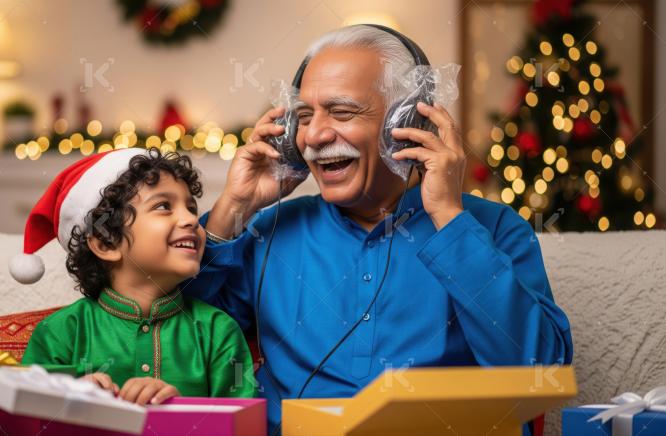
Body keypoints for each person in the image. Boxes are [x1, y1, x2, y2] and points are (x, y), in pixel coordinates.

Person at [183, 25, 573, 432]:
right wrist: (234, 209)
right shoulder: (268, 231)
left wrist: (448, 218)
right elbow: (177, 340)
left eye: (342, 112)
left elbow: (539, 371)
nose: (315, 135)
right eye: (303, 117)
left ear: (405, 121)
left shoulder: (492, 228)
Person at [12, 148, 255, 405]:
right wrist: (69, 400)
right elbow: (24, 419)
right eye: (164, 206)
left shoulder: (220, 331)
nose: (191, 221)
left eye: (191, 208)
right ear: (107, 243)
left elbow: (243, 423)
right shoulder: (60, 333)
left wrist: (179, 411)